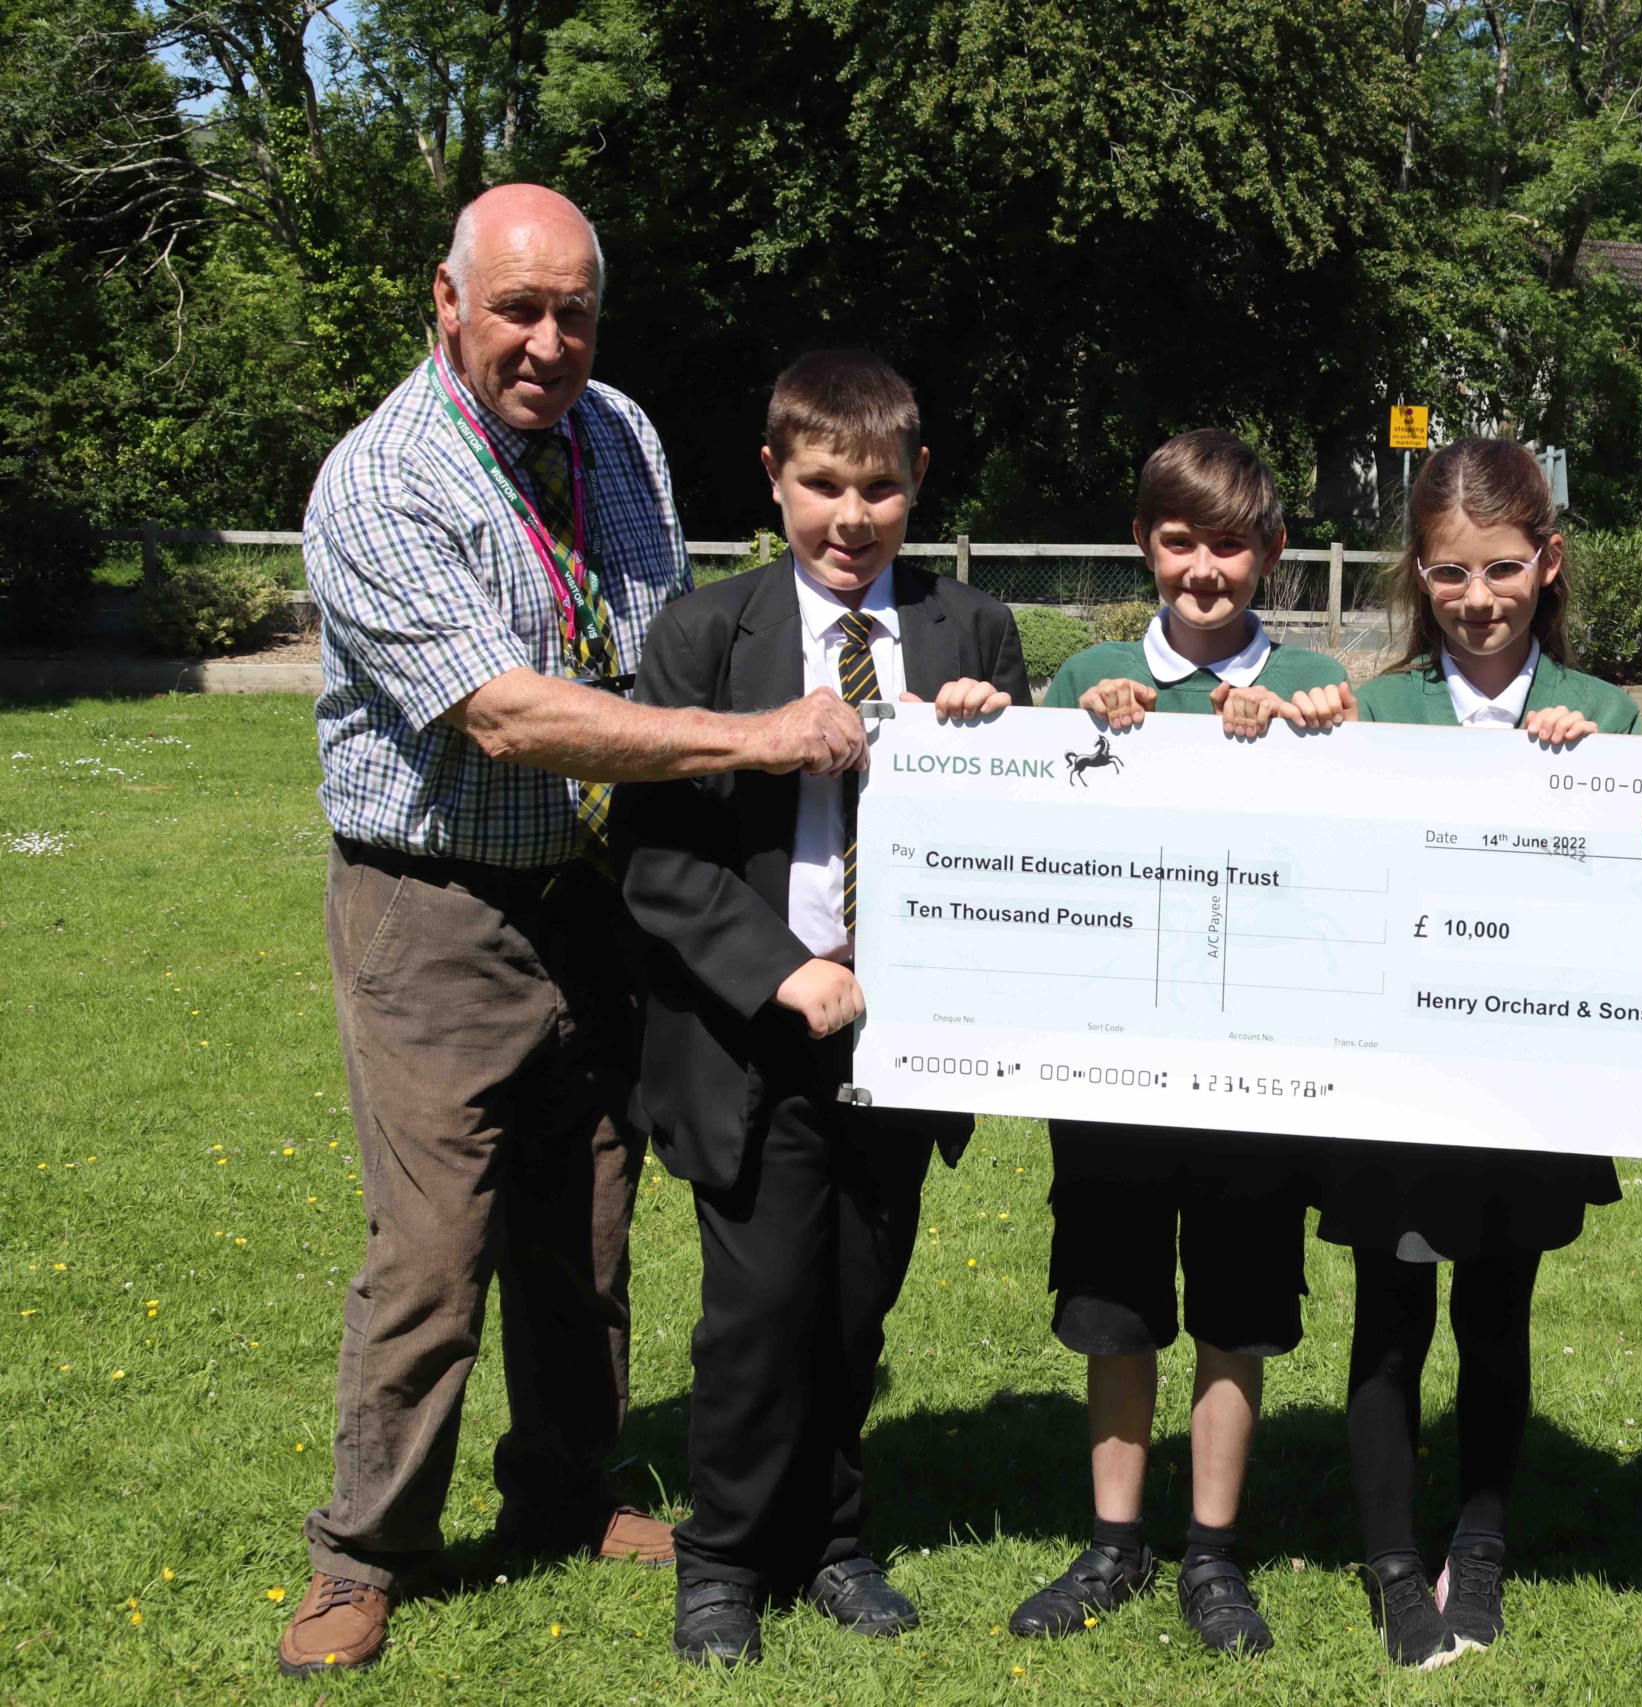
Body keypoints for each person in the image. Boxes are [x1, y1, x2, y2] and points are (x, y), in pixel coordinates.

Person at [284, 185, 871, 1678]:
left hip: (591, 899)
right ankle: (362, 1550)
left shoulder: (620, 432)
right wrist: (748, 738)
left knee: (586, 1221)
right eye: (517, 310)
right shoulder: (382, 479)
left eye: (574, 312)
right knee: (432, 1246)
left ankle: (565, 1486)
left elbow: (651, 618)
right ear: (448, 302)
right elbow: (506, 713)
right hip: (432, 904)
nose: (547, 343)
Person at [615, 351, 1030, 1665]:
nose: (850, 516)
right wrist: (777, 967)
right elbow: (656, 851)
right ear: (773, 480)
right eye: (822, 485)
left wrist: (997, 732)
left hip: (907, 1033)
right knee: (759, 1306)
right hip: (759, 1029)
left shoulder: (972, 629)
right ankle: (726, 1556)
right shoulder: (704, 633)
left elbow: (1030, 820)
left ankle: (835, 1537)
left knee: (857, 1301)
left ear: (919, 484)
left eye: (878, 487)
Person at [1009, 430, 1352, 1657]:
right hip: (1113, 1055)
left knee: (1236, 1308)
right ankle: (1112, 1541)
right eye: (1178, 542)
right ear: (1145, 546)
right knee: (1112, 1300)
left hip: (1255, 1064)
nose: (1204, 570)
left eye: (1229, 545)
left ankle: (1212, 1552)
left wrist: (1323, 727)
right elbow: (1036, 838)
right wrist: (1095, 729)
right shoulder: (1090, 677)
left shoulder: (1315, 678)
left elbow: (1363, 845)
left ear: (1268, 551)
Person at [1312, 436, 1634, 1669]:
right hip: (1395, 1090)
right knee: (1388, 1328)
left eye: (1502, 569)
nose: (1478, 599)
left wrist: (1585, 777)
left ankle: (1482, 1548)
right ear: (1417, 574)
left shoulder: (1600, 717)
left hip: (1528, 1089)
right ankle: (1397, 1568)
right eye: (1449, 574)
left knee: (1498, 1321)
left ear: (1548, 563)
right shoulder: (1370, 711)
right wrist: (1285, 730)